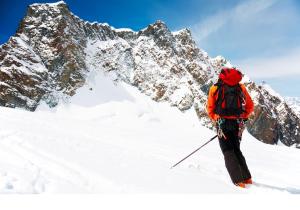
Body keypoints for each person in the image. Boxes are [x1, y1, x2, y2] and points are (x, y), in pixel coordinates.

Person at [206, 67, 254, 188]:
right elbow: (250, 105)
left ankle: (238, 181)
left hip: (222, 123)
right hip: (237, 124)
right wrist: (243, 116)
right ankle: (247, 178)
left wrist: (216, 119)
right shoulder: (240, 87)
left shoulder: (215, 88)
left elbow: (210, 108)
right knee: (236, 149)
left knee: (228, 151)